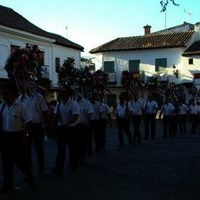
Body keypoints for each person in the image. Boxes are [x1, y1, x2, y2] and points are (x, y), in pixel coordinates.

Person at [0, 83, 34, 194]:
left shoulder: (21, 106)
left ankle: (28, 173)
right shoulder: (2, 107)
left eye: (7, 94)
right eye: (3, 94)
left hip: (18, 136)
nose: (4, 96)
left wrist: (26, 136)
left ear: (13, 94)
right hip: (5, 137)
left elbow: (28, 122)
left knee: (19, 160)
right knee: (6, 162)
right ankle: (7, 185)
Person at [18, 86, 50, 175]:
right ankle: (28, 170)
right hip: (26, 128)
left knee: (39, 147)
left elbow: (45, 111)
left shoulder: (39, 97)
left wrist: (47, 124)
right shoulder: (21, 98)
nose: (26, 85)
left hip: (37, 127)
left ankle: (41, 166)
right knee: (26, 148)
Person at [52, 87, 80, 175]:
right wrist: (53, 125)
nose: (63, 94)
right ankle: (58, 169)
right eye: (62, 93)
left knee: (72, 149)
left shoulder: (73, 104)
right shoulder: (59, 104)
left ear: (69, 94)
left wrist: (66, 124)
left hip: (71, 129)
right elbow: (55, 115)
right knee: (61, 150)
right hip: (61, 129)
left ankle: (73, 166)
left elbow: (75, 116)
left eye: (65, 92)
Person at [76, 93, 94, 164]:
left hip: (84, 125)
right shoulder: (74, 102)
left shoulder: (87, 102)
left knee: (84, 142)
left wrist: (88, 122)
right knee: (77, 142)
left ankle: (83, 156)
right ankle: (78, 157)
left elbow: (90, 113)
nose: (77, 95)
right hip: (76, 125)